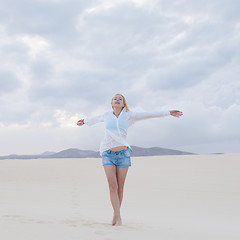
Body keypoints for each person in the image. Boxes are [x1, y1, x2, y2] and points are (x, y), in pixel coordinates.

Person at [77, 93, 183, 226]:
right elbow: (93, 119)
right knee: (112, 186)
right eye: (115, 98)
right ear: (111, 102)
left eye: (120, 99)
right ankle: (118, 217)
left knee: (120, 187)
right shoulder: (106, 115)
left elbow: (149, 114)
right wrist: (84, 121)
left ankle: (116, 216)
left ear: (123, 104)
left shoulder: (129, 116)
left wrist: (168, 112)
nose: (117, 100)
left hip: (123, 154)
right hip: (107, 153)